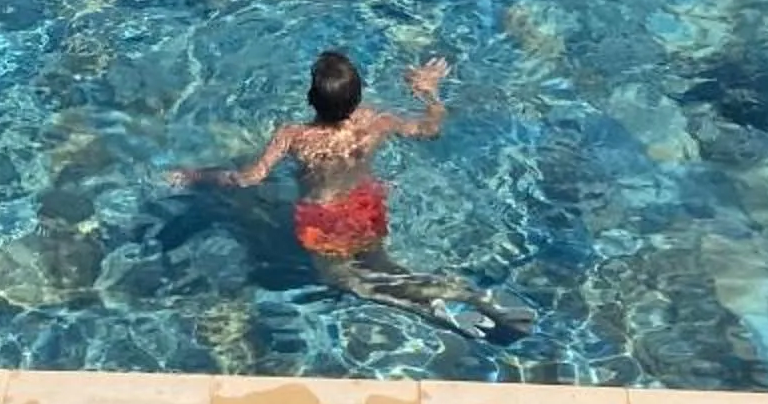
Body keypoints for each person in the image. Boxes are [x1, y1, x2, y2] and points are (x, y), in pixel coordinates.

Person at [167, 49, 529, 342]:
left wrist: (195, 175)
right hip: (365, 205)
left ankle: (427, 309)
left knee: (347, 281)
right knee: (384, 265)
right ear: (357, 97)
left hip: (322, 219)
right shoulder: (376, 120)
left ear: (311, 98)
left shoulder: (292, 135)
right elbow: (430, 128)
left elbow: (248, 179)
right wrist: (428, 92)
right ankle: (470, 295)